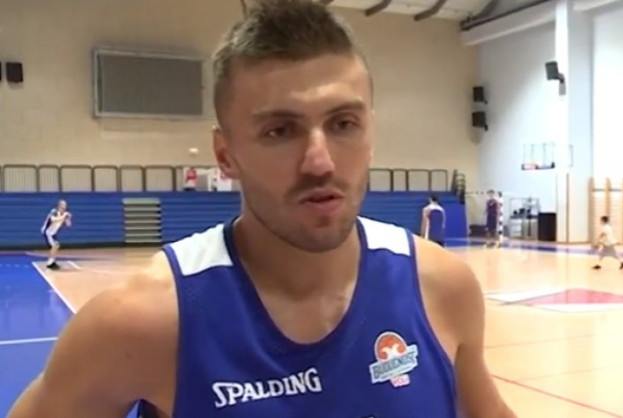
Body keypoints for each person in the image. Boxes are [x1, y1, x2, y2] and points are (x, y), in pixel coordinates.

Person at [8, 1, 516, 417]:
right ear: (225, 155)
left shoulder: (442, 287)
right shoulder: (142, 321)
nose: (320, 161)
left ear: (371, 133)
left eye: (343, 123)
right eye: (279, 131)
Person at [39, 199, 71, 270]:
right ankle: (49, 263)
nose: (64, 207)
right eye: (63, 205)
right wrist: (63, 216)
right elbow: (53, 219)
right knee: (54, 246)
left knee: (56, 246)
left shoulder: (64, 214)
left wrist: (68, 218)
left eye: (65, 205)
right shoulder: (54, 211)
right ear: (59, 206)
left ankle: (52, 262)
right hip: (47, 232)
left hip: (53, 233)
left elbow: (68, 224)